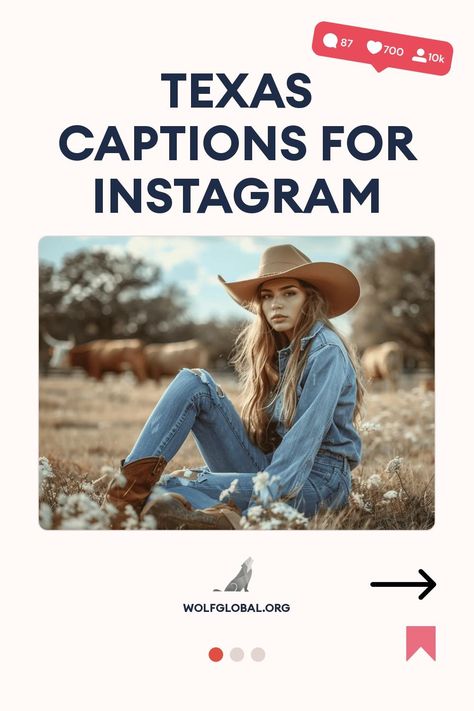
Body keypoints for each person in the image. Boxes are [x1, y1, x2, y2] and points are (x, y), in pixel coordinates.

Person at [103, 244, 364, 529]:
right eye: (267, 296)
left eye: (289, 293)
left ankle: (200, 512)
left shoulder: (326, 351)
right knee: (194, 384)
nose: (276, 304)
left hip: (316, 482)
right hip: (271, 467)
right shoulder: (280, 352)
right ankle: (126, 496)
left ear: (309, 299)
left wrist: (261, 502)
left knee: (168, 491)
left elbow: (303, 443)